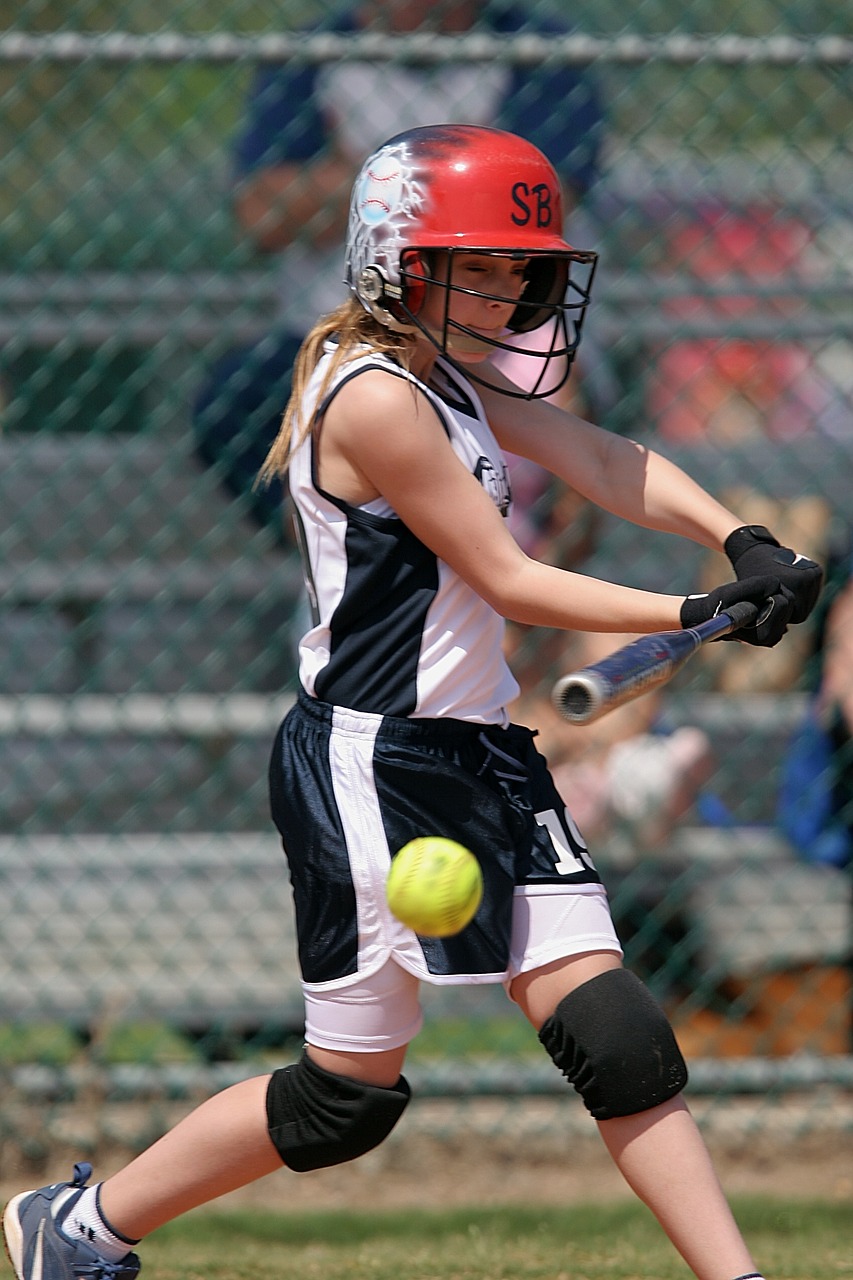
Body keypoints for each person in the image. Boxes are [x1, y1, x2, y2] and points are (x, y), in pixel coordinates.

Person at [4, 125, 824, 1280]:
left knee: (618, 1034)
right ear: (399, 262)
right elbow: (510, 578)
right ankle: (79, 1225)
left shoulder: (454, 382)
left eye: (516, 269)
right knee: (346, 1097)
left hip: (483, 753)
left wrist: (738, 538)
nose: (502, 290)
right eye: (471, 265)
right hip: (371, 766)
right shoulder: (375, 398)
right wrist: (696, 608)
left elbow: (595, 455)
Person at [192, 0, 604, 534]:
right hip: (339, 327)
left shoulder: (535, 48)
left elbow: (540, 204)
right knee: (237, 399)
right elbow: (263, 214)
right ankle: (353, 549)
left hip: (501, 328)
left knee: (558, 406)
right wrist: (460, 178)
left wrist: (361, 181)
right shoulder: (314, 55)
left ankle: (517, 582)